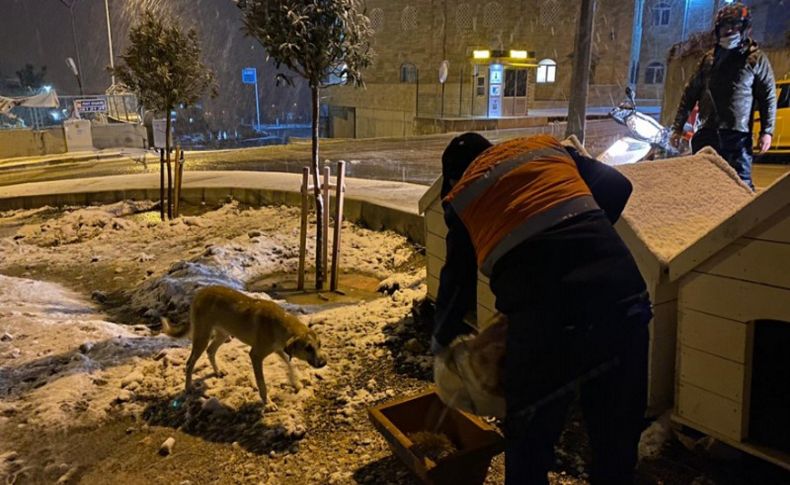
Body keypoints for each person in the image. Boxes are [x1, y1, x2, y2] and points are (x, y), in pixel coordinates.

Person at [433, 133, 653, 484]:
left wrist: (442, 344)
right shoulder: (544, 149)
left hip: (546, 325)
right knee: (616, 441)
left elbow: (457, 280)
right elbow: (618, 187)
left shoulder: (463, 196)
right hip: (622, 300)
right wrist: (579, 245)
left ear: (452, 180)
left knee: (529, 442)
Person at [670, 2, 776, 190]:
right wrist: (677, 127)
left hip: (737, 134)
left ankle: (743, 218)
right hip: (707, 130)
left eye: (734, 27)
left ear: (745, 29)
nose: (729, 32)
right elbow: (690, 92)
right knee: (701, 181)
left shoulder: (755, 59)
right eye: (725, 27)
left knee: (739, 183)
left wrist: (767, 131)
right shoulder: (709, 59)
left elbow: (767, 96)